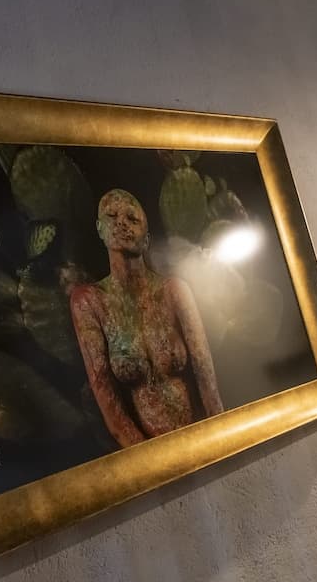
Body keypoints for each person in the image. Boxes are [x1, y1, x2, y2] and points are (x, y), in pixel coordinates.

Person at [70, 189, 223, 447]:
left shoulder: (173, 291)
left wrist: (219, 438)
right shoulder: (90, 301)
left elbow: (206, 378)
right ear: (99, 229)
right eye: (112, 216)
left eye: (132, 218)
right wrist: (149, 458)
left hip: (199, 436)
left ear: (147, 239)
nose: (121, 223)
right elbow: (106, 395)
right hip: (147, 448)